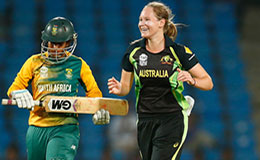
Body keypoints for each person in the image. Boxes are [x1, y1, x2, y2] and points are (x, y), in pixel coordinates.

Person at [107, 1, 213, 160]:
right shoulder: (133, 51)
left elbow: (208, 82)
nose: (141, 24)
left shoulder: (178, 52)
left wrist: (193, 80)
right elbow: (125, 88)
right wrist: (119, 88)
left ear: (161, 23)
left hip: (172, 119)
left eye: (147, 20)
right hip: (144, 120)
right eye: (140, 20)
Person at [6, 17, 110, 160]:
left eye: (59, 44)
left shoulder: (78, 65)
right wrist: (17, 93)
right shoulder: (34, 62)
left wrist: (96, 111)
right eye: (51, 43)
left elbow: (94, 95)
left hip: (65, 128)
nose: (54, 48)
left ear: (68, 42)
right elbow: (14, 87)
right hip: (36, 128)